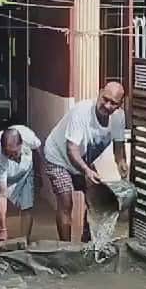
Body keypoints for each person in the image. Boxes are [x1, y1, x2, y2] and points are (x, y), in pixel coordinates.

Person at [42, 83, 129, 242]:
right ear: (100, 93)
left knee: (97, 199)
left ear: (120, 104)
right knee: (66, 201)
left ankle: (87, 243)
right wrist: (87, 171)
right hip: (59, 157)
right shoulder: (81, 112)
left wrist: (122, 166)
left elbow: (119, 149)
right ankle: (66, 248)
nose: (107, 105)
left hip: (83, 159)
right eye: (105, 99)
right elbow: (71, 149)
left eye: (113, 103)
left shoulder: (118, 117)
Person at [0, 125, 43, 242]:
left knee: (27, 205)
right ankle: (2, 241)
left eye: (14, 153)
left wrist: (39, 173)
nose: (11, 156)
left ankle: (24, 242)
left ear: (21, 144)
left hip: (24, 170)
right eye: (7, 153)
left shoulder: (28, 136)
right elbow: (2, 194)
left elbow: (37, 151)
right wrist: (3, 228)